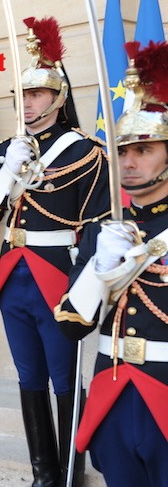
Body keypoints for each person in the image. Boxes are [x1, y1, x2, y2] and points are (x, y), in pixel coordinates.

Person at [0, 17, 110, 486]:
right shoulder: (13, 149)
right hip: (15, 278)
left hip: (56, 275)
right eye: (22, 96)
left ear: (58, 98)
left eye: (36, 95)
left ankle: (71, 474)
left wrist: (82, 291)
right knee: (29, 377)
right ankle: (43, 473)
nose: (26, 104)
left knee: (64, 378)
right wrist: (6, 174)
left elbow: (96, 228)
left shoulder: (85, 154)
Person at [55, 40, 168, 487]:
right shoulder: (107, 227)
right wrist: (102, 268)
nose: (129, 162)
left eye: (144, 150)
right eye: (122, 152)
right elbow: (70, 324)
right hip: (113, 390)